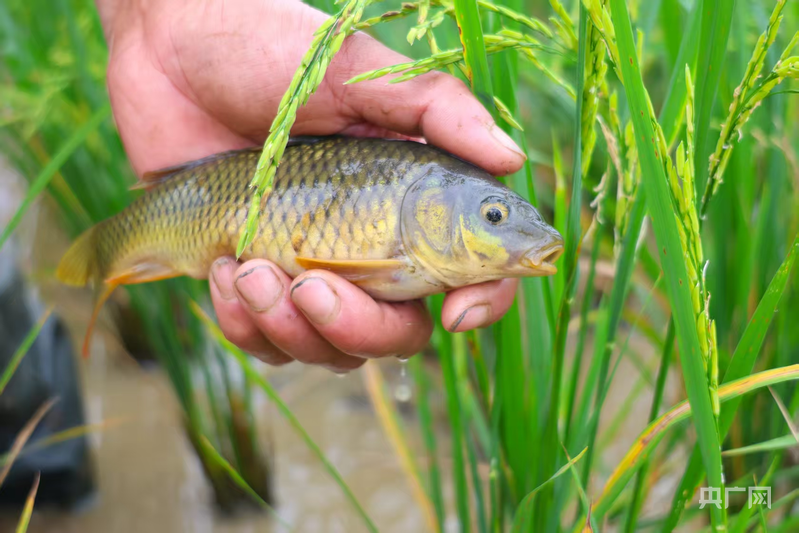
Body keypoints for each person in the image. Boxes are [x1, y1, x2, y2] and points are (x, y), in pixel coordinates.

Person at [94, 0, 527, 373]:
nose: (504, 226)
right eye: (494, 215)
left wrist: (151, 16)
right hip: (195, 195)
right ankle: (100, 260)